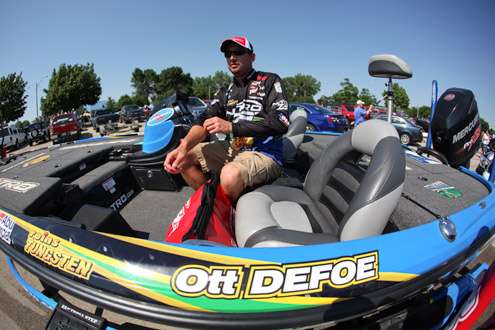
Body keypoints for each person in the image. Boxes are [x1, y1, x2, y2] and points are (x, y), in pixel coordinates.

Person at [163, 36, 290, 201]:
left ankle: (229, 218)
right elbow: (203, 120)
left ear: (252, 57)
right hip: (235, 146)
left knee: (229, 175)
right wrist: (183, 147)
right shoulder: (226, 90)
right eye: (227, 54)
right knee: (182, 160)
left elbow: (281, 122)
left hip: (264, 153)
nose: (232, 57)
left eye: (238, 52)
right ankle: (213, 208)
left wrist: (232, 127)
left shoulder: (270, 81)